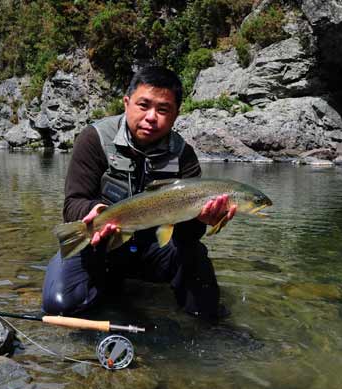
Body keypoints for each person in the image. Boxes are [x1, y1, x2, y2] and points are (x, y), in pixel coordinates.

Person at [42, 66, 236, 321]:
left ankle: (205, 329)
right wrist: (94, 213)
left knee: (205, 302)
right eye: (143, 105)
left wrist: (203, 221)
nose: (151, 117)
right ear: (126, 103)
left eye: (163, 109)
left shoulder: (183, 156)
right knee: (60, 307)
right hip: (101, 245)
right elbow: (73, 203)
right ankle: (106, 287)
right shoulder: (95, 139)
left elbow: (187, 237)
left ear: (176, 114)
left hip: (154, 249)